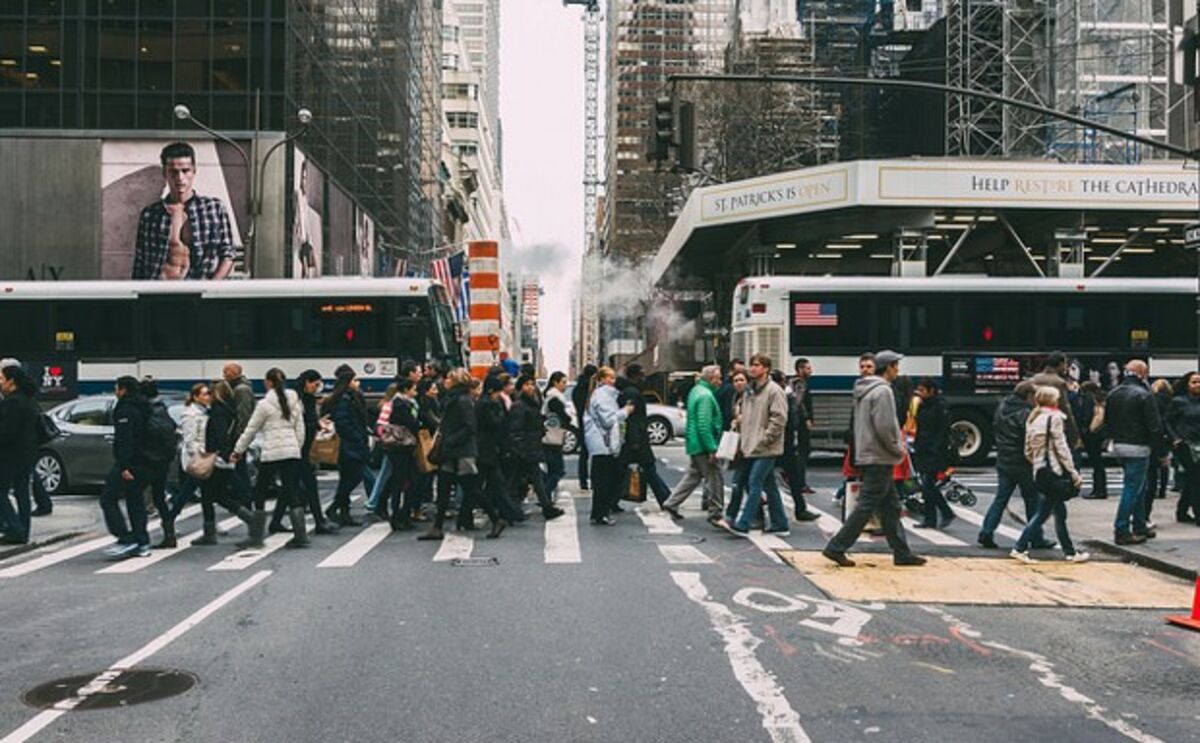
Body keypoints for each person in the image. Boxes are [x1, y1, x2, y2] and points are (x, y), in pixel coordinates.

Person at [822, 350, 925, 568]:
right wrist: (898, 450)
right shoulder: (883, 391)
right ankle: (837, 547)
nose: (897, 370)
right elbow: (886, 427)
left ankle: (901, 552)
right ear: (887, 368)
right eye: (895, 366)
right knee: (867, 505)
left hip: (868, 452)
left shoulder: (863, 390)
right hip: (880, 455)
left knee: (891, 506)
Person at [419, 369, 504, 540]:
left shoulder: (463, 400)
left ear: (456, 381)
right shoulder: (452, 398)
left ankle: (496, 520)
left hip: (462, 452)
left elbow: (470, 427)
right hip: (451, 452)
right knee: (444, 489)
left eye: (449, 378)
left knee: (472, 489)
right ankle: (437, 527)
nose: (445, 380)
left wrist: (450, 440)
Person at [132, 142, 236, 280]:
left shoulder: (214, 208)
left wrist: (211, 288)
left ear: (194, 171)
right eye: (173, 172)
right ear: (165, 174)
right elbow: (140, 261)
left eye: (185, 170)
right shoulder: (151, 214)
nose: (180, 178)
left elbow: (228, 254)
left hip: (200, 288)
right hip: (160, 288)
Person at [1010, 386, 1089, 563]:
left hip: (1040, 471)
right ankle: (1021, 547)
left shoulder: (1033, 418)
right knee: (1050, 514)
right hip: (1055, 471)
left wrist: (1037, 463)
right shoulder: (1054, 418)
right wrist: (1072, 472)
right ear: (1052, 400)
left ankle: (1068, 552)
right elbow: (1062, 448)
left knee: (1052, 511)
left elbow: (1027, 449)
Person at [234, 368, 308, 548]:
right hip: (291, 451)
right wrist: (296, 447)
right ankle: (300, 535)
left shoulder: (264, 404)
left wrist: (238, 449)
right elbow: (300, 429)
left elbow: (251, 429)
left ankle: (256, 535)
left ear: (268, 382)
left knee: (259, 491)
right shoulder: (295, 400)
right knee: (290, 490)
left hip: (272, 452)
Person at [978, 381, 1053, 550]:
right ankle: (1036, 537)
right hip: (1023, 462)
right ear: (1028, 396)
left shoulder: (1002, 407)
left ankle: (986, 531)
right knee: (1032, 500)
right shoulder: (1026, 413)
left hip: (1004, 459)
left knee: (1000, 498)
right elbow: (1032, 438)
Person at [191, 380, 266, 548]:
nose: (209, 396)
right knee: (217, 494)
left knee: (211, 495)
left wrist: (225, 455)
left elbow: (219, 435)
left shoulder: (218, 412)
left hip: (217, 459)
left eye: (210, 393)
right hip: (224, 458)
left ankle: (247, 520)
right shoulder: (229, 410)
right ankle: (249, 519)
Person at [727, 355, 790, 537]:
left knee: (755, 482)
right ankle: (780, 523)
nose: (752, 369)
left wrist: (766, 438)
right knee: (769, 485)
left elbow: (779, 419)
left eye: (756, 365)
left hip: (766, 447)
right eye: (751, 365)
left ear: (766, 368)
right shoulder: (749, 392)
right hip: (752, 446)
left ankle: (743, 523)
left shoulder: (774, 391)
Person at [96, 376, 155, 559]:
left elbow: (126, 440)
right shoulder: (145, 406)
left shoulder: (126, 409)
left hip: (131, 463)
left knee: (107, 498)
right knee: (134, 499)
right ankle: (141, 540)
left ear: (123, 390)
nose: (115, 391)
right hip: (147, 461)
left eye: (117, 388)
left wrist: (124, 466)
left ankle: (125, 537)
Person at [1105, 360, 1161, 545]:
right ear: (1142, 373)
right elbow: (1154, 426)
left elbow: (1108, 421)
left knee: (1139, 486)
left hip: (1119, 445)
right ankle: (1121, 529)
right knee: (1132, 488)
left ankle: (1139, 525)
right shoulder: (1145, 395)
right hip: (1139, 446)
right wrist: (1158, 450)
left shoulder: (1113, 394)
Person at [661, 365, 724, 524]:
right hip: (703, 445)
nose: (720, 381)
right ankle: (715, 511)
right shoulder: (705, 396)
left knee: (693, 476)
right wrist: (712, 448)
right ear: (711, 378)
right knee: (714, 477)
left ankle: (671, 503)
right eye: (718, 378)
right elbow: (704, 424)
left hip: (694, 442)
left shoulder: (696, 391)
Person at [507, 375, 566, 522]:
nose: (531, 387)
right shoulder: (520, 405)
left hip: (530, 448)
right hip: (525, 450)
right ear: (521, 387)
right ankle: (511, 509)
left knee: (528, 479)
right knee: (520, 480)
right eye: (527, 384)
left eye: (532, 384)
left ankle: (543, 508)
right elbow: (516, 430)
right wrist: (520, 449)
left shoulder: (530, 403)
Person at [617, 364, 672, 509]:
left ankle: (611, 501)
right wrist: (635, 440)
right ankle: (666, 499)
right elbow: (632, 419)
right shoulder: (631, 393)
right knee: (649, 470)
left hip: (634, 439)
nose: (644, 378)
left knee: (623, 471)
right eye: (641, 374)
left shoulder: (630, 391)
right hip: (636, 440)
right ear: (634, 376)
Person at [322, 364, 371, 527]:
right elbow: (343, 421)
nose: (358, 382)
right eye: (355, 380)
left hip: (350, 443)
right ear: (348, 382)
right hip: (349, 444)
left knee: (346, 478)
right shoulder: (344, 398)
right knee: (354, 476)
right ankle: (335, 507)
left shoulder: (348, 396)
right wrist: (357, 436)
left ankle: (344, 512)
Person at [584, 366, 633, 526]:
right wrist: (625, 411)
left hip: (599, 443)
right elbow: (609, 420)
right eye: (610, 378)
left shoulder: (600, 394)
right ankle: (600, 514)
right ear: (601, 379)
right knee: (606, 480)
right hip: (603, 443)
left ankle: (599, 513)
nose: (613, 381)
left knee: (603, 480)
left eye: (614, 377)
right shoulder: (603, 396)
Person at [138, 377, 182, 548]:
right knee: (160, 498)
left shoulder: (144, 410)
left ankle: (140, 536)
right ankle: (169, 533)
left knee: (139, 497)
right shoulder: (162, 408)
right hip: (163, 460)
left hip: (147, 460)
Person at [773, 368, 820, 523]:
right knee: (790, 479)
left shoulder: (771, 393)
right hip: (781, 442)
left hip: (777, 442)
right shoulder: (786, 395)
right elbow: (793, 417)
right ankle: (798, 510)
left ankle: (770, 514)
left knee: (760, 480)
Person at [295, 369, 339, 534]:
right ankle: (319, 521)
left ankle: (275, 520)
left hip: (304, 448)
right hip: (300, 449)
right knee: (308, 485)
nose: (317, 387)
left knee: (291, 487)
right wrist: (317, 424)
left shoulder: (307, 399)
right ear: (307, 382)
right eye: (315, 384)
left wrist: (318, 422)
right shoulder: (298, 400)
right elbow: (301, 423)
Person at [0, 365, 39, 544]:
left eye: (2, 379)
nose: (0, 383)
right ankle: (23, 531)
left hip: (11, 455)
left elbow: (7, 431)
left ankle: (15, 528)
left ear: (11, 381)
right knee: (22, 493)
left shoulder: (12, 402)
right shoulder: (29, 399)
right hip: (28, 453)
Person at [171, 383, 212, 547]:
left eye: (208, 393)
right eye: (204, 394)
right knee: (186, 493)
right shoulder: (190, 414)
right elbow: (189, 440)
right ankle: (169, 520)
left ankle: (210, 526)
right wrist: (199, 458)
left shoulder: (203, 412)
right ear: (195, 396)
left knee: (205, 493)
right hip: (196, 460)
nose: (208, 396)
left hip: (203, 458)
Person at [911, 378, 955, 530]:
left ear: (931, 391)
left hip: (934, 451)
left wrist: (936, 448)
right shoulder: (923, 405)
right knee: (926, 485)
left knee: (929, 485)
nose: (919, 393)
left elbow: (943, 430)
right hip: (922, 448)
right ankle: (930, 519)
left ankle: (946, 512)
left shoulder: (940, 406)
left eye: (922, 390)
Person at [380, 377, 422, 531]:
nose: (415, 392)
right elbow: (412, 423)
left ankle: (401, 514)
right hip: (400, 447)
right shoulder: (400, 404)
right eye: (413, 389)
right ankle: (398, 515)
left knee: (406, 480)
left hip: (404, 448)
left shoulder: (404, 403)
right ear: (406, 390)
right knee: (401, 481)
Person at [1167, 371, 1200, 525]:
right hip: (1186, 444)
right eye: (1194, 382)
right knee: (1195, 477)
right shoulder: (1178, 401)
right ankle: (1198, 513)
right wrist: (1175, 438)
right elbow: (1167, 421)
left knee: (1192, 478)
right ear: (1187, 384)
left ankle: (1182, 510)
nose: (1197, 385)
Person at [1030, 352, 1081, 449]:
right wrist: (1074, 435)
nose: (1066, 368)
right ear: (1060, 364)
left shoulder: (1034, 379)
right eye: (1065, 364)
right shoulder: (1059, 382)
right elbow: (1065, 408)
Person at [223, 362, 256, 508]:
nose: (224, 375)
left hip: (238, 436)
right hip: (239, 435)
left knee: (240, 469)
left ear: (235, 373)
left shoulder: (241, 390)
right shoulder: (239, 388)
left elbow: (243, 415)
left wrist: (241, 438)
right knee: (238, 468)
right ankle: (244, 498)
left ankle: (246, 499)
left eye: (227, 372)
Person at [1145, 378, 1174, 518]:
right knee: (1164, 464)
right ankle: (1163, 488)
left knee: (1152, 469)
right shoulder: (1171, 399)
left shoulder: (1153, 399)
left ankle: (1157, 489)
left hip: (1156, 434)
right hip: (1167, 435)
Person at [1077, 381, 1109, 499]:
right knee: (1098, 463)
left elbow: (1086, 416)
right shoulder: (1100, 398)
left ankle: (1098, 490)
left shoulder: (1088, 398)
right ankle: (1100, 489)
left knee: (1096, 462)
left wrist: (1083, 430)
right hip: (1099, 434)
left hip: (1091, 435)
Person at [541, 372, 571, 498]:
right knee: (558, 470)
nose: (565, 385)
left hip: (550, 436)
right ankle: (545, 494)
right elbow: (565, 417)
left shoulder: (550, 397)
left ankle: (545, 494)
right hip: (553, 437)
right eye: (563, 382)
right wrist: (568, 419)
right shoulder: (554, 399)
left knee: (553, 469)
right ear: (555, 382)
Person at [792, 357, 815, 496]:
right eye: (807, 368)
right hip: (801, 423)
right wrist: (807, 418)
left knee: (802, 451)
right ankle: (800, 482)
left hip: (799, 422)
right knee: (803, 451)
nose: (810, 371)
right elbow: (799, 403)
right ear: (800, 370)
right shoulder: (800, 383)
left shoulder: (798, 382)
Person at [572, 364, 597, 490]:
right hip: (593, 423)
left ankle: (583, 481)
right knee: (596, 454)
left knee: (584, 454)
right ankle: (594, 480)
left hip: (582, 422)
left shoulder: (577, 389)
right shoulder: (592, 389)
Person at [716, 358, 746, 433]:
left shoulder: (724, 386)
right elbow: (728, 413)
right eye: (737, 372)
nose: (739, 383)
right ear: (731, 372)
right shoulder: (730, 390)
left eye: (743, 372)